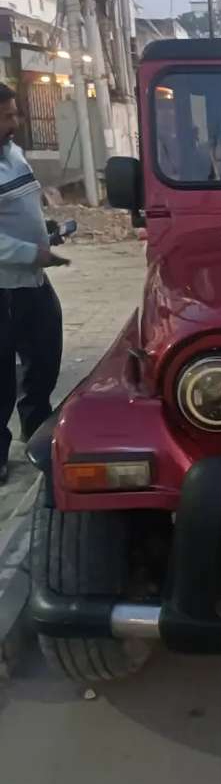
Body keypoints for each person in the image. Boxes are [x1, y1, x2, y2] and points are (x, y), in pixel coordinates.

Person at [0, 83, 68, 485]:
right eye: (7, 116)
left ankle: (37, 429)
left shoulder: (14, 155)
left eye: (15, 114)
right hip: (5, 287)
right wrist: (31, 252)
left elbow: (24, 207)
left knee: (44, 355)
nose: (16, 122)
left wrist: (48, 231)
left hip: (33, 282)